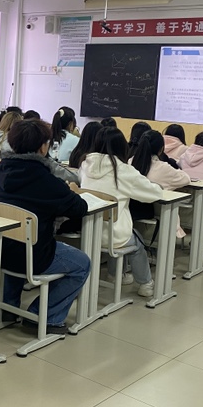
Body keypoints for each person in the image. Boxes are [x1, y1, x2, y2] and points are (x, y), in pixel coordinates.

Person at [0, 119, 90, 333]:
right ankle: (43, 316)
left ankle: (9, 308)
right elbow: (79, 208)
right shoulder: (46, 180)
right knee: (82, 264)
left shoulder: (1, 171)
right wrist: (70, 191)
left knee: (17, 237)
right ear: (44, 147)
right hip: (35, 257)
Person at [81, 127, 159, 296]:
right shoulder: (122, 170)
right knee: (136, 241)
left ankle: (114, 274)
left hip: (88, 231)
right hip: (113, 234)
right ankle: (145, 284)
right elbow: (153, 194)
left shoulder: (85, 164)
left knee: (115, 230)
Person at [129, 130, 191, 234]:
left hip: (132, 214)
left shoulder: (130, 162)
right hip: (158, 217)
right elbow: (186, 179)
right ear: (161, 149)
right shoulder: (163, 168)